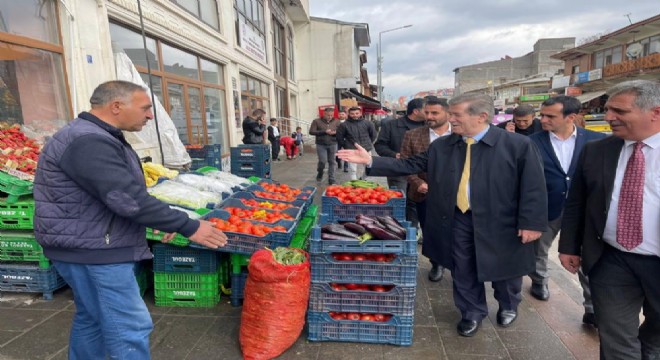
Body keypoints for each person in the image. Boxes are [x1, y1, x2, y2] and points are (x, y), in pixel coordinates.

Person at [32, 80, 228, 359]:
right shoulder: (90, 141)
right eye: (146, 108)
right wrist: (188, 226)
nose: (150, 115)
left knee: (93, 318)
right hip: (96, 251)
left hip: (85, 245)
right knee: (129, 326)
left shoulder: (92, 135)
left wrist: (164, 222)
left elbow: (115, 195)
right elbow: (126, 199)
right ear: (116, 106)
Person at [338, 93, 547, 337]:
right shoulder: (443, 146)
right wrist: (370, 161)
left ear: (481, 116)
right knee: (462, 267)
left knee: (506, 269)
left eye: (457, 115)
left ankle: (508, 305)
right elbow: (409, 165)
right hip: (458, 218)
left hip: (502, 221)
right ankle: (471, 312)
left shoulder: (517, 145)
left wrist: (531, 223)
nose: (451, 119)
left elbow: (534, 186)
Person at [558, 80, 660, 360]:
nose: (609, 117)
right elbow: (577, 202)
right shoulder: (597, 150)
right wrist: (568, 245)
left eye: (620, 111)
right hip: (611, 259)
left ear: (656, 112)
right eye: (607, 109)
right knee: (616, 337)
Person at [528, 96, 606, 328]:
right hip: (545, 207)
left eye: (550, 116)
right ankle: (539, 282)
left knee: (588, 258)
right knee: (538, 250)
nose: (543, 120)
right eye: (542, 115)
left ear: (571, 117)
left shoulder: (597, 141)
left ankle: (592, 308)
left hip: (584, 211)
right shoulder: (531, 142)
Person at [400, 96, 452, 283]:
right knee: (430, 230)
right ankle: (437, 262)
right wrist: (417, 183)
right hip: (424, 193)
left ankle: (457, 261)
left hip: (456, 194)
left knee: (457, 229)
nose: (429, 116)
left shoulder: (459, 135)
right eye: (427, 112)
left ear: (447, 113)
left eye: (434, 113)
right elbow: (405, 164)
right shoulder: (412, 135)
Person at [374, 98, 426, 192]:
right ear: (416, 111)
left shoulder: (429, 126)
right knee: (400, 200)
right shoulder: (391, 125)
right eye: (426, 110)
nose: (429, 113)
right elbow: (379, 146)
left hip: (422, 172)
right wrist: (394, 155)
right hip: (398, 171)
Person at [336, 107, 377, 181]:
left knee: (369, 167)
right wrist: (345, 146)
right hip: (352, 149)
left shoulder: (368, 123)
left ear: (360, 113)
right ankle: (354, 183)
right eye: (352, 114)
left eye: (357, 113)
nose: (355, 115)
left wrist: (368, 143)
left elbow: (373, 135)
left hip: (366, 149)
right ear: (349, 114)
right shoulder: (344, 125)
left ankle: (363, 179)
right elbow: (339, 137)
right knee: (353, 169)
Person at [309, 107, 340, 184]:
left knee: (332, 161)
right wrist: (324, 131)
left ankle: (331, 178)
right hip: (321, 144)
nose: (329, 117)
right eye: (328, 115)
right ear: (324, 114)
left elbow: (341, 131)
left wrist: (335, 132)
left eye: (331, 115)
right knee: (322, 161)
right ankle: (320, 172)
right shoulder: (316, 121)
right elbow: (311, 132)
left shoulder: (337, 121)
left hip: (333, 143)